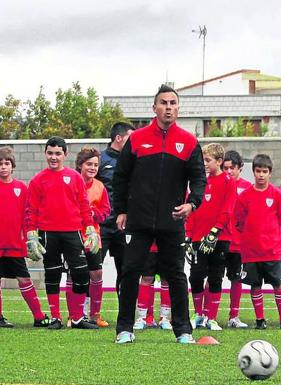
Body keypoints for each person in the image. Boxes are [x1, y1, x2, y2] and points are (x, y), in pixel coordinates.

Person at [112, 84, 206, 344]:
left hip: (172, 220)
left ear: (178, 108)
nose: (168, 107)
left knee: (176, 273)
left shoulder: (188, 142)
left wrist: (192, 204)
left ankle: (183, 331)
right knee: (130, 271)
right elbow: (120, 177)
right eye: (163, 103)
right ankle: (125, 329)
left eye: (172, 103)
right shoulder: (137, 138)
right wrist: (121, 210)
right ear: (154, 108)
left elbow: (199, 178)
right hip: (138, 219)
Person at [25, 136, 100, 330]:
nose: (54, 157)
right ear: (45, 154)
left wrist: (90, 229)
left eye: (58, 153)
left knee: (82, 275)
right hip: (48, 233)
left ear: (65, 155)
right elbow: (31, 210)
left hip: (73, 232)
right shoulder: (37, 180)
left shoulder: (74, 177)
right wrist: (31, 235)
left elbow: (84, 205)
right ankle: (56, 318)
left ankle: (76, 318)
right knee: (52, 275)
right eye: (50, 153)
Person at [0, 146, 49, 328]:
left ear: (12, 166)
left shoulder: (21, 188)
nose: (3, 167)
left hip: (15, 245)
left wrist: (31, 239)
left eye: (6, 163)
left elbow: (28, 217)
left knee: (24, 279)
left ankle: (39, 316)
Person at [234, 154, 281, 330]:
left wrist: (271, 237)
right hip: (251, 250)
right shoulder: (245, 196)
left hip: (272, 249)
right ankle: (260, 319)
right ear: (253, 172)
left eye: (265, 171)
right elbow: (239, 221)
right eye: (258, 171)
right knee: (255, 285)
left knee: (278, 284)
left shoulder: (277, 195)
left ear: (270, 173)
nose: (261, 175)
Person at [186, 143, 236, 331]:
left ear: (219, 161)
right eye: (202, 160)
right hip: (199, 237)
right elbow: (192, 209)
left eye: (208, 160)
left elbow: (228, 209)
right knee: (196, 276)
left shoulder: (228, 181)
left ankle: (211, 317)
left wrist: (215, 231)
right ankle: (199, 314)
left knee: (216, 277)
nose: (204, 164)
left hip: (220, 238)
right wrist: (189, 236)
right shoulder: (199, 182)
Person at [97, 122, 135, 295]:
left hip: (125, 225)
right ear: (118, 138)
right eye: (130, 138)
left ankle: (125, 313)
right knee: (93, 269)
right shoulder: (99, 160)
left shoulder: (134, 160)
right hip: (102, 226)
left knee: (126, 271)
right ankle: (87, 314)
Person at [75, 147, 111, 327]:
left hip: (93, 237)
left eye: (96, 165)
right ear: (80, 165)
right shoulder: (72, 183)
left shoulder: (100, 186)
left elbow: (106, 211)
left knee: (96, 273)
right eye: (89, 164)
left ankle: (95, 314)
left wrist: (94, 213)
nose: (92, 167)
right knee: (76, 275)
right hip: (73, 236)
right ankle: (76, 314)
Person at [222, 150, 253, 328]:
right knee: (212, 278)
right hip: (218, 240)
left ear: (240, 168)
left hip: (238, 243)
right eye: (225, 168)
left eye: (232, 168)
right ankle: (204, 314)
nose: (228, 172)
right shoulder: (216, 184)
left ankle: (234, 315)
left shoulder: (248, 187)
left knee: (236, 279)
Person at [133, 242, 172, 331]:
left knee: (166, 279)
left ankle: (164, 318)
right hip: (149, 245)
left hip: (167, 244)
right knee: (147, 278)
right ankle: (142, 318)